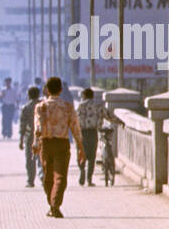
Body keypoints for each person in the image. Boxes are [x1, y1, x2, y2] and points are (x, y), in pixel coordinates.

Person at [33, 77, 85, 218]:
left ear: (47, 90)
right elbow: (75, 127)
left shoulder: (41, 107)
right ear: (61, 90)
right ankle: (55, 205)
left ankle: (52, 205)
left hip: (46, 144)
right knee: (60, 176)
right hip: (62, 143)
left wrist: (36, 144)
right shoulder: (67, 107)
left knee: (48, 177)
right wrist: (80, 147)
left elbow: (38, 127)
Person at [75, 87, 123, 186]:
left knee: (81, 154)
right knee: (92, 157)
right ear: (92, 96)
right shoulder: (98, 106)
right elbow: (109, 116)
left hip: (82, 133)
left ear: (83, 96)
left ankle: (82, 171)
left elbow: (74, 120)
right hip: (93, 133)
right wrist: (120, 122)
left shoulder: (79, 106)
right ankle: (89, 179)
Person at [18, 86, 42, 188]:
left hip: (30, 136)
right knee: (42, 158)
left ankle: (30, 180)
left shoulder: (26, 108)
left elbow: (22, 125)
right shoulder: (43, 106)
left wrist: (21, 139)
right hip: (42, 135)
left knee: (30, 159)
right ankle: (43, 177)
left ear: (29, 95)